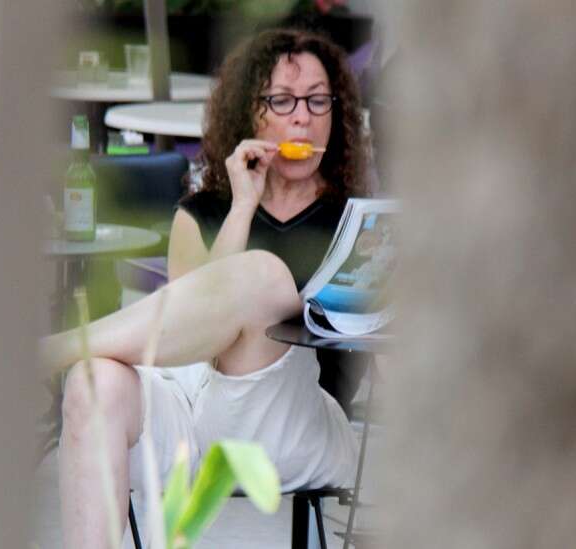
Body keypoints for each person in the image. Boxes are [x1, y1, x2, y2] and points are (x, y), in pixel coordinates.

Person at [40, 28, 370, 548]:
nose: (302, 118)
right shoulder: (202, 214)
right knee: (92, 381)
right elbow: (192, 338)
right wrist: (242, 205)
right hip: (194, 411)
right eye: (282, 100)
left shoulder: (359, 224)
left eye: (317, 100)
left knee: (263, 275)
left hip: (296, 426)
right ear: (250, 113)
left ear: (337, 112)